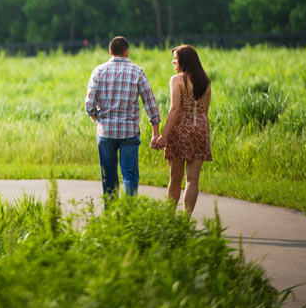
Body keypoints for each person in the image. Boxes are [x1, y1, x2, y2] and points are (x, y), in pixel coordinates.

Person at [85, 36, 161, 199]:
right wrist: (156, 132)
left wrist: (98, 120)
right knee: (129, 175)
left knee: (109, 177)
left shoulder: (98, 71)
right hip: (130, 132)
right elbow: (150, 102)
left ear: (110, 51)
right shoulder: (137, 72)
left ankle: (111, 216)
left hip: (105, 133)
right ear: (127, 52)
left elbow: (89, 106)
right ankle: (129, 212)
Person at [155, 45, 212, 215]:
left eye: (175, 59)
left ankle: (169, 218)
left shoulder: (177, 80)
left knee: (175, 179)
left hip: (181, 130)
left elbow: (174, 109)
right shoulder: (206, 81)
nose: (173, 62)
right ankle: (186, 220)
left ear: (184, 61)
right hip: (201, 129)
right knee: (193, 179)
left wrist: (164, 136)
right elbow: (205, 111)